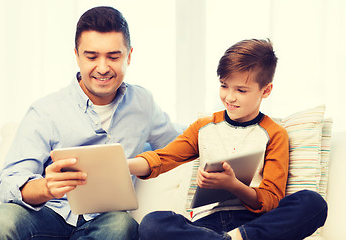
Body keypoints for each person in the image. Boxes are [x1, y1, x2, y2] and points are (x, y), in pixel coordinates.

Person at [0, 6, 179, 240]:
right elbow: (9, 181)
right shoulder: (46, 111)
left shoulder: (143, 104)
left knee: (122, 225)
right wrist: (47, 187)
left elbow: (178, 144)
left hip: (105, 220)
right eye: (91, 56)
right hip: (49, 214)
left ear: (129, 56)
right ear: (77, 55)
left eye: (113, 56)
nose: (103, 67)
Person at [128, 39, 328, 240]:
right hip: (206, 227)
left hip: (254, 224)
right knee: (152, 224)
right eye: (224, 86)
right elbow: (162, 159)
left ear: (265, 90)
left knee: (313, 203)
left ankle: (238, 237)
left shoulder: (274, 134)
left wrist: (233, 185)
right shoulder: (203, 127)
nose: (229, 97)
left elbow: (270, 201)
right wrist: (123, 166)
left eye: (241, 90)